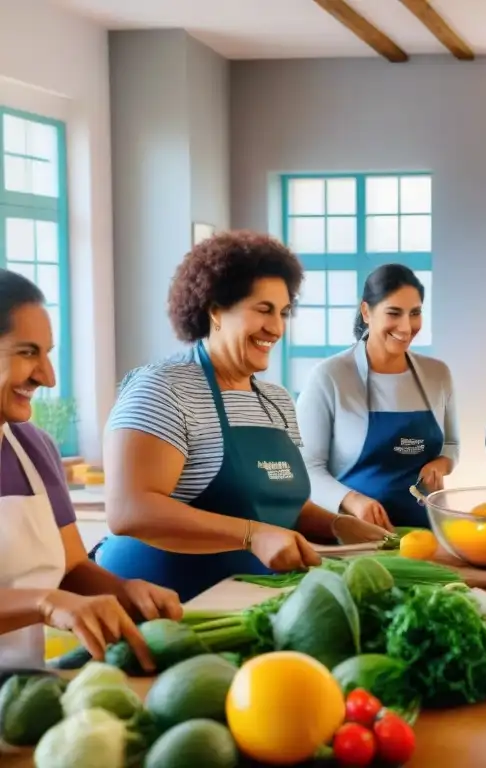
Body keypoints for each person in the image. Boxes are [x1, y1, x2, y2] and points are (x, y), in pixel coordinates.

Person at [96, 232, 388, 602]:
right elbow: (129, 510)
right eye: (263, 309)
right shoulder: (162, 388)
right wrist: (252, 535)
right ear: (215, 309)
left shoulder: (276, 401)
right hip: (162, 606)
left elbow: (279, 506)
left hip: (246, 602)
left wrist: (338, 524)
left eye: (283, 313)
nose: (277, 328)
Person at [0, 270, 180, 670]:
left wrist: (125, 591)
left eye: (47, 353)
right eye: (28, 352)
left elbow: (72, 568)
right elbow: (52, 595)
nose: (48, 376)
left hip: (21, 696)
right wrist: (44, 602)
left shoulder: (34, 448)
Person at [296, 264, 459, 529]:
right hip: (354, 537)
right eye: (394, 313)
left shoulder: (437, 374)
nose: (406, 327)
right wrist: (352, 500)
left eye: (415, 313)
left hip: (427, 534)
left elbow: (452, 443)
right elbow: (306, 469)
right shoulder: (329, 377)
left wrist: (442, 463)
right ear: (366, 312)